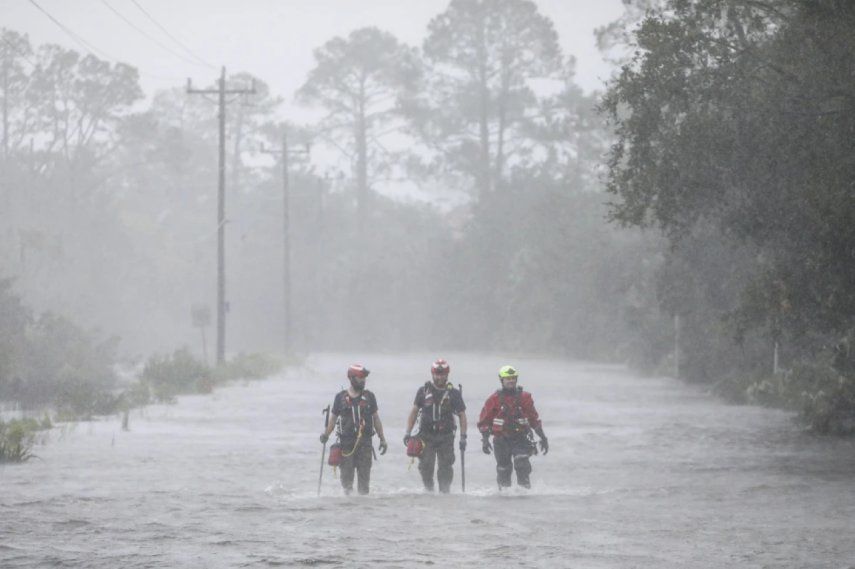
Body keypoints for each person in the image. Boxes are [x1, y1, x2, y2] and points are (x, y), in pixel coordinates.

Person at [320, 363, 388, 495]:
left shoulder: (370, 397)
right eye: (360, 377)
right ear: (351, 378)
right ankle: (348, 510)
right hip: (346, 446)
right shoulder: (340, 398)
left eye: (364, 378)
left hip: (365, 445)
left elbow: (376, 419)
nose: (363, 380)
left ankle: (363, 510)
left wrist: (382, 439)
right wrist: (326, 435)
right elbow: (333, 419)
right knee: (347, 486)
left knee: (364, 487)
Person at [477, 365, 548, 489]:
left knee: (522, 464)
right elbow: (484, 422)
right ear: (501, 380)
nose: (511, 381)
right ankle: (504, 499)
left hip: (521, 438)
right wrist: (485, 440)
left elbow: (534, 419)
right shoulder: (493, 399)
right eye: (507, 378)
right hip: (501, 440)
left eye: (513, 378)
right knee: (503, 470)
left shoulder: (525, 398)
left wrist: (543, 437)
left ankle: (524, 496)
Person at [403, 358, 467, 493]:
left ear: (447, 375)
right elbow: (414, 412)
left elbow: (462, 415)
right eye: (437, 374)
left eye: (442, 374)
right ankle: (429, 491)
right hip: (426, 436)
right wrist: (408, 432)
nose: (440, 377)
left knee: (446, 467)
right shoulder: (423, 391)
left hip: (446, 436)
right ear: (432, 374)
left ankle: (445, 493)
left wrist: (463, 437)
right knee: (426, 465)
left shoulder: (454, 394)